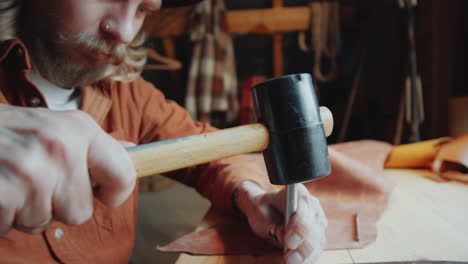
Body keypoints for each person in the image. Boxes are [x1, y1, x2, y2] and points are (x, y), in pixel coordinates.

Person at [0, 0, 327, 263]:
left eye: (142, 9)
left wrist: (252, 195)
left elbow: (209, 156)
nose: (126, 32)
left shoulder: (128, 95)